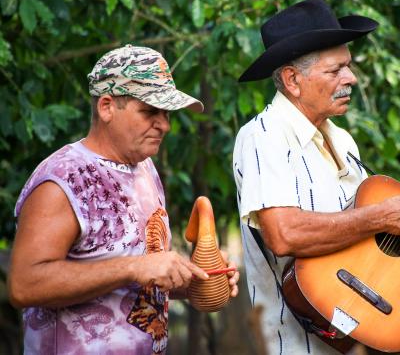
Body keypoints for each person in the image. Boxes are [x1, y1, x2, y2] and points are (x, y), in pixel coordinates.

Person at [233, 0, 400, 355]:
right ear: (292, 80)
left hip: (351, 340)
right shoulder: (263, 136)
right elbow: (283, 234)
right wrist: (380, 215)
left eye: (348, 67)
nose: (350, 78)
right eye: (335, 70)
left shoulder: (341, 138)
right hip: (292, 345)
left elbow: (384, 233)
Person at [8, 44, 239, 354]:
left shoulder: (143, 166)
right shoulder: (63, 179)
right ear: (106, 107)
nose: (165, 125)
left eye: (167, 113)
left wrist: (195, 280)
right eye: (149, 112)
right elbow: (25, 284)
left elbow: (139, 279)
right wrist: (134, 267)